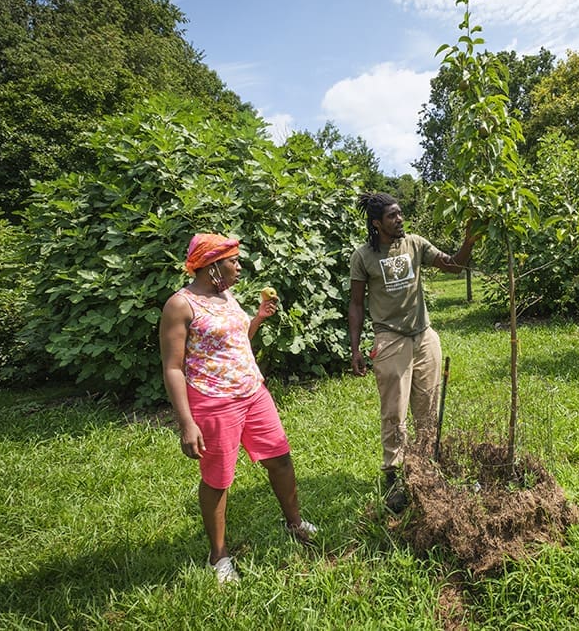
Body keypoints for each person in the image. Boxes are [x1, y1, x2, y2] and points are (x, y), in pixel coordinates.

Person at [159, 233, 317, 584]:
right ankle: (219, 556)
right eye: (234, 260)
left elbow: (237, 338)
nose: (239, 266)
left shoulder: (225, 295)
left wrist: (257, 318)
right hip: (214, 401)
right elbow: (172, 367)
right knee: (218, 479)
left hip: (252, 391)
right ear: (213, 265)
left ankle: (295, 522)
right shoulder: (180, 305)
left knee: (280, 457)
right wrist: (186, 422)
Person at [348, 193, 477, 513]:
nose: (400, 219)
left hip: (424, 336)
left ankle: (424, 467)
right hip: (390, 338)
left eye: (401, 214)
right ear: (377, 223)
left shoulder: (416, 244)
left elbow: (454, 266)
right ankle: (393, 474)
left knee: (428, 405)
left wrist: (469, 240)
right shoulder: (363, 256)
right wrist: (355, 349)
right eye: (392, 216)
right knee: (394, 410)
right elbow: (356, 304)